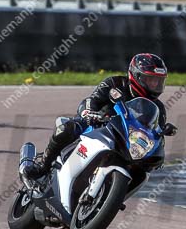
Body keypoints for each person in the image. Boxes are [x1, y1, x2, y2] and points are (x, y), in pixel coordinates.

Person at [31, 53, 177, 177]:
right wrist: (88, 113)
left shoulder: (158, 108)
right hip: (96, 125)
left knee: (141, 172)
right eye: (151, 80)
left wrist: (157, 148)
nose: (155, 85)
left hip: (124, 142)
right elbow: (91, 100)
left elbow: (156, 134)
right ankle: (43, 165)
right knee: (67, 128)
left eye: (158, 81)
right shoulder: (114, 83)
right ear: (137, 76)